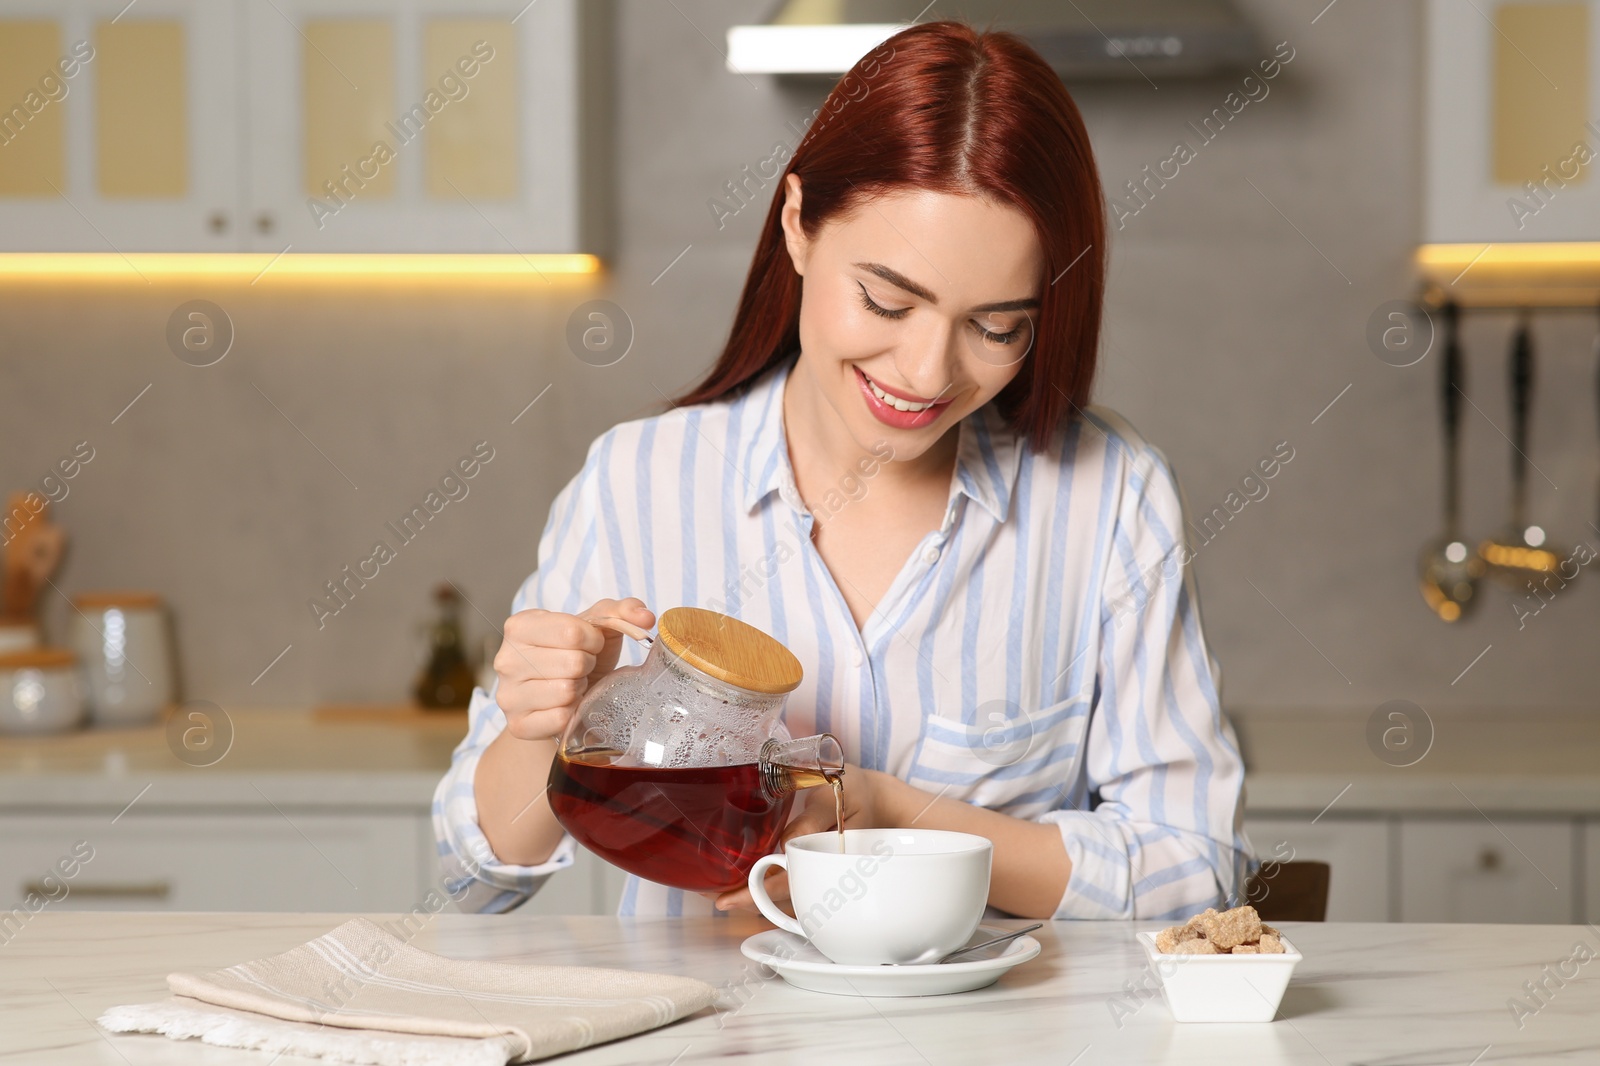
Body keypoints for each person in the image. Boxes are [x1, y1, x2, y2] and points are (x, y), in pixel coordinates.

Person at [434, 20, 1252, 921]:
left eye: (996, 327)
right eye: (887, 300)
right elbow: (473, 882)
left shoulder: (1108, 497)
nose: (927, 372)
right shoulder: (639, 480)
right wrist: (539, 725)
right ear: (796, 225)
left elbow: (1196, 871)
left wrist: (893, 816)